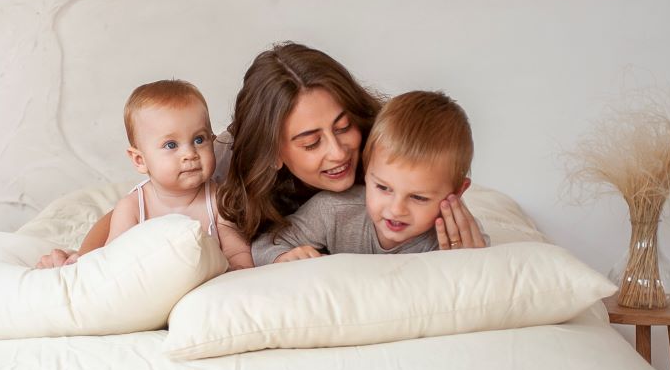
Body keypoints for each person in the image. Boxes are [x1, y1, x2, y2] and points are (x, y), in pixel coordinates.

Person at [36, 42, 485, 267]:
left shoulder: (381, 140)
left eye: (343, 126)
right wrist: (82, 256)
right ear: (274, 152)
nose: (337, 151)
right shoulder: (229, 163)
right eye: (310, 142)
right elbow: (134, 202)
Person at [39, 79, 253, 271]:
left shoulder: (217, 200)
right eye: (171, 145)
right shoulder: (133, 207)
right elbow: (111, 262)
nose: (190, 154)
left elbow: (237, 252)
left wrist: (238, 271)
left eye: (199, 139)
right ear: (140, 160)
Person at [251, 90, 484, 265]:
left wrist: (466, 263)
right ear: (366, 167)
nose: (396, 209)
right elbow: (265, 244)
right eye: (383, 187)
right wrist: (284, 256)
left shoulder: (451, 236)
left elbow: (481, 272)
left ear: (457, 192)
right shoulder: (334, 210)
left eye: (419, 198)